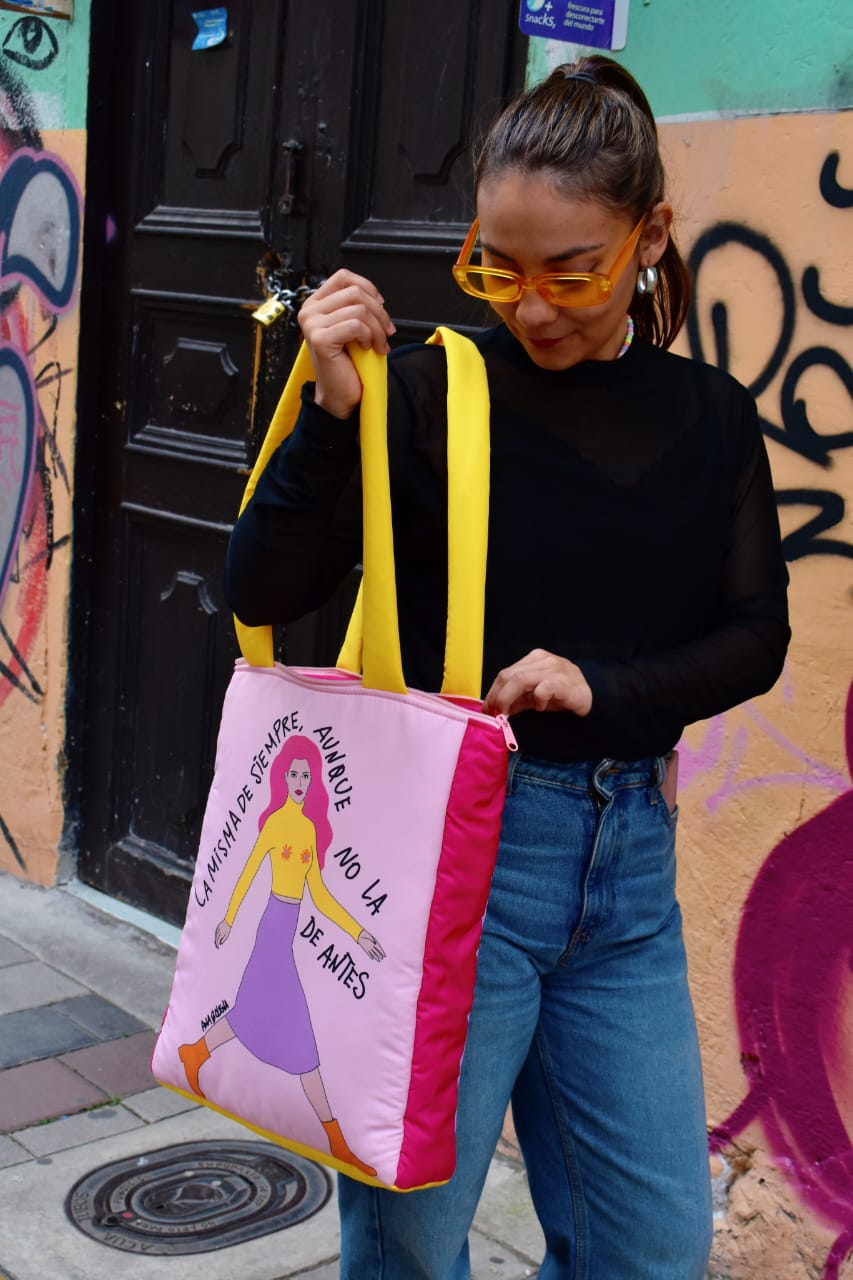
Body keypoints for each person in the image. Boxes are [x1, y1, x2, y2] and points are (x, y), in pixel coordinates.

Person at [225, 55, 789, 1280]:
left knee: (652, 1247)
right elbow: (260, 591)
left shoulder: (708, 415)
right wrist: (330, 411)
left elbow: (756, 635)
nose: (532, 308)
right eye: (499, 267)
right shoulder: (430, 389)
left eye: (570, 272)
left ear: (649, 237)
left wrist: (605, 685)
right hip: (445, 869)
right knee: (414, 1249)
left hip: (627, 879)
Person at [178, 735, 385, 1177]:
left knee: (247, 1012)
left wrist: (359, 932)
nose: (299, 781)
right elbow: (249, 870)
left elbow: (320, 896)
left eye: (306, 775)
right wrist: (228, 919)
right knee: (302, 1038)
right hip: (272, 930)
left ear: (313, 780)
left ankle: (195, 1052)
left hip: (283, 931)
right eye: (293, 774)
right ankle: (335, 1137)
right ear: (283, 778)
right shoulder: (275, 822)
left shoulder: (309, 829)